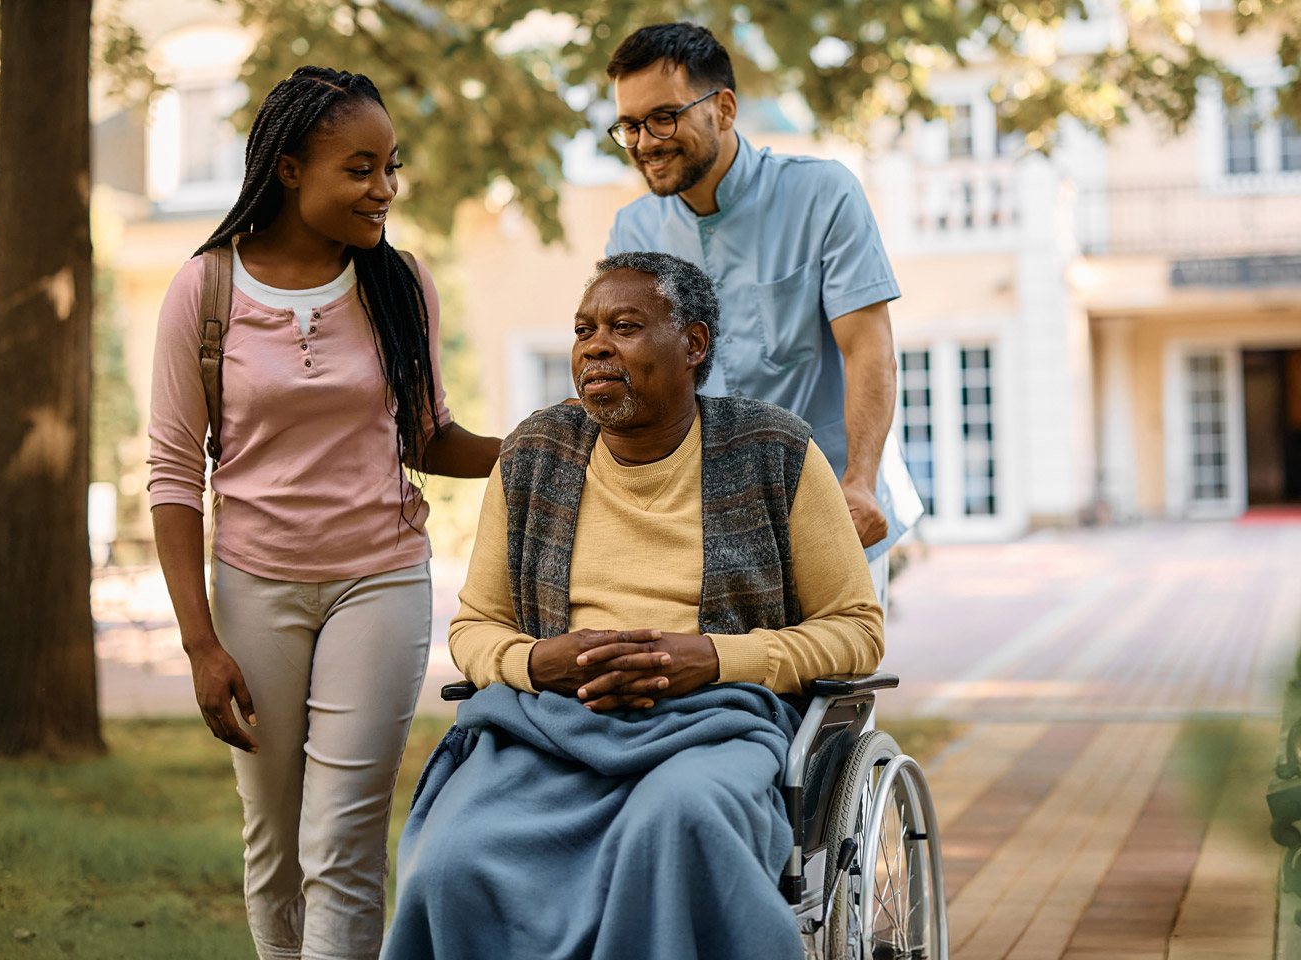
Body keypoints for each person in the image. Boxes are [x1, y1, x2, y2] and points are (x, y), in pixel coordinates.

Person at [380, 253, 881, 960]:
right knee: (449, 860)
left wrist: (714, 659)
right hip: (550, 727)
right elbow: (475, 625)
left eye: (624, 326)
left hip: (713, 725)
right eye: (584, 329)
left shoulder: (776, 452)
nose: (595, 346)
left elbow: (857, 630)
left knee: (673, 824)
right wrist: (533, 661)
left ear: (694, 345)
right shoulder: (533, 454)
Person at [146, 66, 500, 960]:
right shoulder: (207, 290)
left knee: (339, 844)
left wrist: (535, 447)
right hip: (254, 590)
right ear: (292, 168)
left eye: (392, 166)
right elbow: (173, 472)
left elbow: (426, 437)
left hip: (378, 581)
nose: (385, 188)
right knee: (272, 846)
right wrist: (200, 644)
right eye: (361, 167)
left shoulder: (397, 282)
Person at [603, 23, 914, 610]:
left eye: (664, 117)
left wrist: (861, 482)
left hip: (835, 514)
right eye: (630, 125)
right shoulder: (632, 231)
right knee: (729, 698)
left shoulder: (824, 195)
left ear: (723, 108)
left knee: (834, 697)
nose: (645, 141)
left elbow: (868, 348)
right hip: (708, 531)